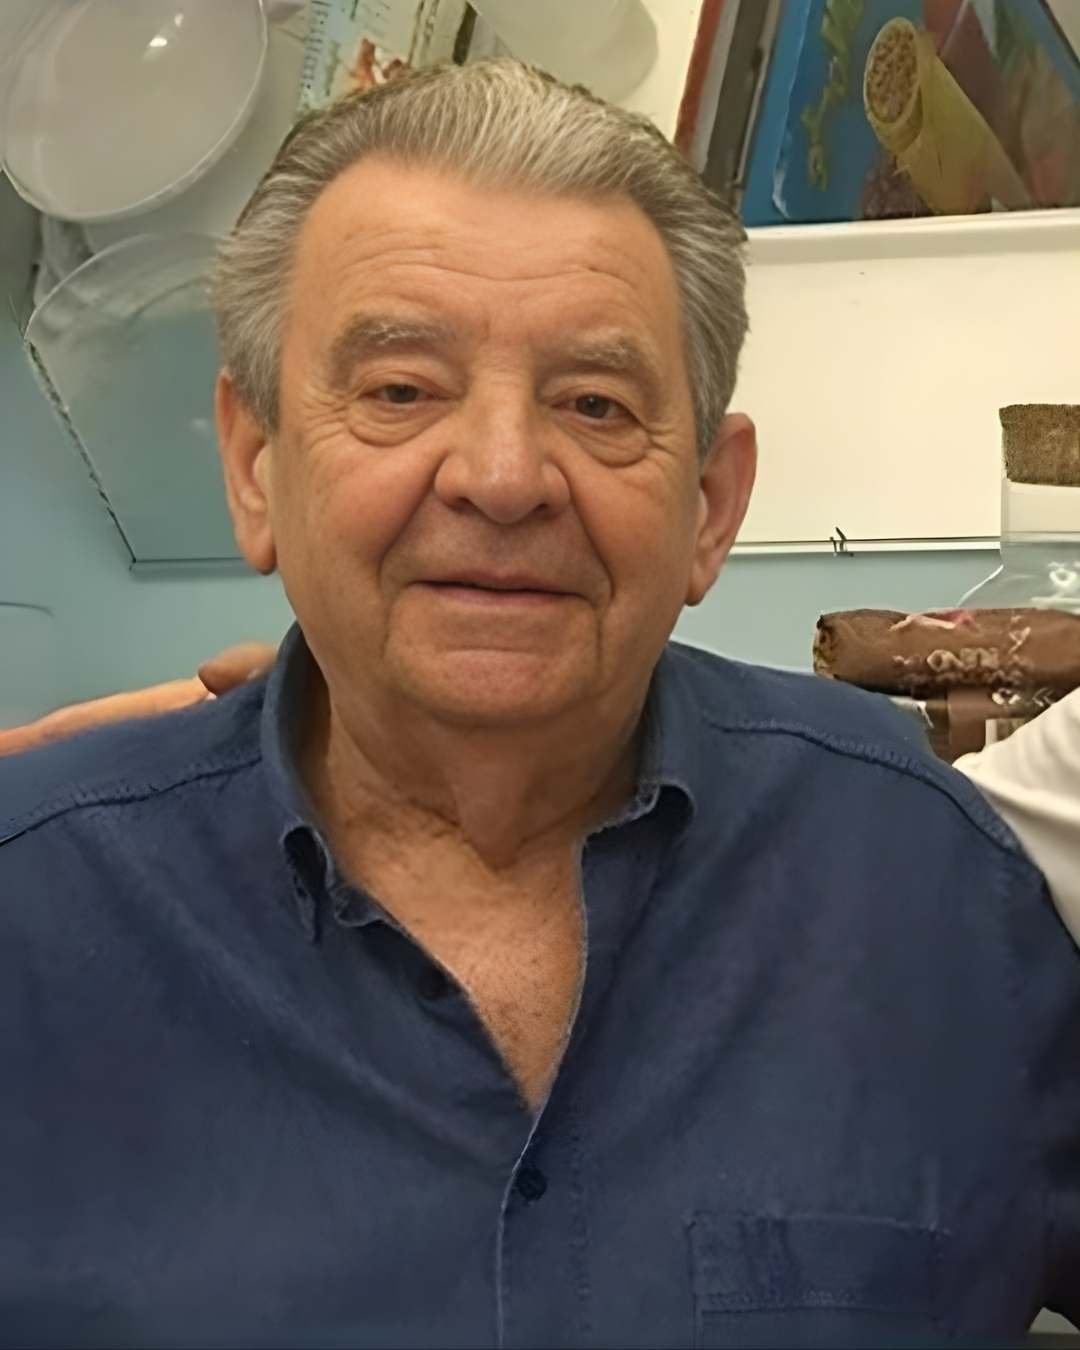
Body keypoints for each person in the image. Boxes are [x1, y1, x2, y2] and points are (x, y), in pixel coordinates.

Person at [0, 60, 1077, 1348]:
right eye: (401, 391)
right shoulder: (35, 904)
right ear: (253, 465)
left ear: (712, 508)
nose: (505, 477)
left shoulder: (927, 882)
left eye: (595, 405)